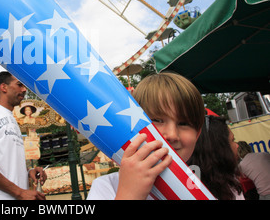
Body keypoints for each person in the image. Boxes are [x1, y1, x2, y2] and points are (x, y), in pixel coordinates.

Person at [87, 72, 205, 200]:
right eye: (158, 120)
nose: (172, 134)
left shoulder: (208, 184)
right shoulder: (108, 186)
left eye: (184, 123)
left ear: (197, 134)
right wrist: (129, 194)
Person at [0, 71, 47, 200]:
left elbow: (6, 162)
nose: (24, 90)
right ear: (4, 87)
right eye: (19, 85)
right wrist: (19, 192)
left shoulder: (11, 119)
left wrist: (29, 172)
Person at [187, 115, 244, 200]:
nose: (237, 145)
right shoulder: (195, 193)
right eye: (232, 140)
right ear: (220, 149)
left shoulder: (228, 181)